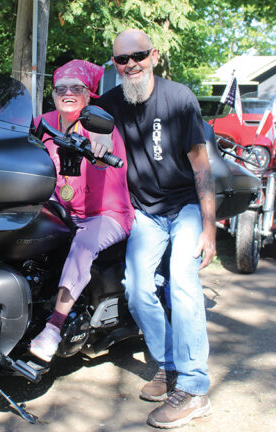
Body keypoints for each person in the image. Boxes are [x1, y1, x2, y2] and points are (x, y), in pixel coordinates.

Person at [95, 29, 216, 428]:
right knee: (136, 287)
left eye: (138, 55)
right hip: (145, 211)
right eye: (121, 60)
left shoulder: (179, 98)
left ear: (154, 56)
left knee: (182, 281)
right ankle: (169, 366)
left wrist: (210, 229)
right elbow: (80, 114)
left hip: (185, 207)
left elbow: (202, 165)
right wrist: (93, 137)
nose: (130, 64)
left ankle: (196, 388)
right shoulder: (112, 102)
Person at [29, 59, 134, 363]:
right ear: (52, 93)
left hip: (105, 212)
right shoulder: (42, 122)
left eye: (77, 88)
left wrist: (100, 150)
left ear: (89, 94)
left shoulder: (97, 121)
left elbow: (102, 147)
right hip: (59, 205)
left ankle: (53, 328)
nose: (68, 93)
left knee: (84, 245)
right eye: (61, 88)